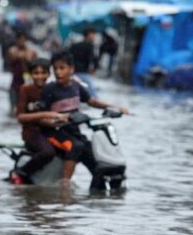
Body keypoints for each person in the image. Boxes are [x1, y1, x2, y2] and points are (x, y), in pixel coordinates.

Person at [41, 50, 130, 186]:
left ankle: (99, 189)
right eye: (55, 69)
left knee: (90, 152)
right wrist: (59, 120)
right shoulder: (49, 90)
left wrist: (115, 107)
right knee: (76, 146)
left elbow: (92, 101)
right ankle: (65, 186)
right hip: (54, 132)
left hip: (73, 132)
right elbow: (42, 116)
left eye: (62, 68)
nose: (58, 72)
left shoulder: (76, 87)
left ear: (71, 69)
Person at [11, 58, 69, 184]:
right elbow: (20, 117)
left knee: (74, 147)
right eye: (36, 73)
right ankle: (20, 172)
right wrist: (45, 115)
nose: (40, 76)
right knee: (48, 152)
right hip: (32, 133)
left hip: (50, 131)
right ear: (31, 74)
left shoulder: (53, 88)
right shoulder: (25, 89)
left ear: (49, 74)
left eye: (43, 73)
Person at [6, 31, 36, 115]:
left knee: (28, 106)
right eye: (20, 40)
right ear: (16, 40)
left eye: (23, 40)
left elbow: (35, 66)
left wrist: (26, 59)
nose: (21, 42)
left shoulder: (31, 52)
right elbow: (9, 66)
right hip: (15, 81)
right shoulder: (12, 51)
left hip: (27, 81)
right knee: (13, 107)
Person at [69, 27, 99, 97]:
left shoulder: (75, 45)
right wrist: (94, 69)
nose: (94, 36)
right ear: (88, 35)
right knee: (92, 93)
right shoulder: (90, 46)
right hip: (82, 72)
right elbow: (94, 59)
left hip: (74, 71)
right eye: (93, 34)